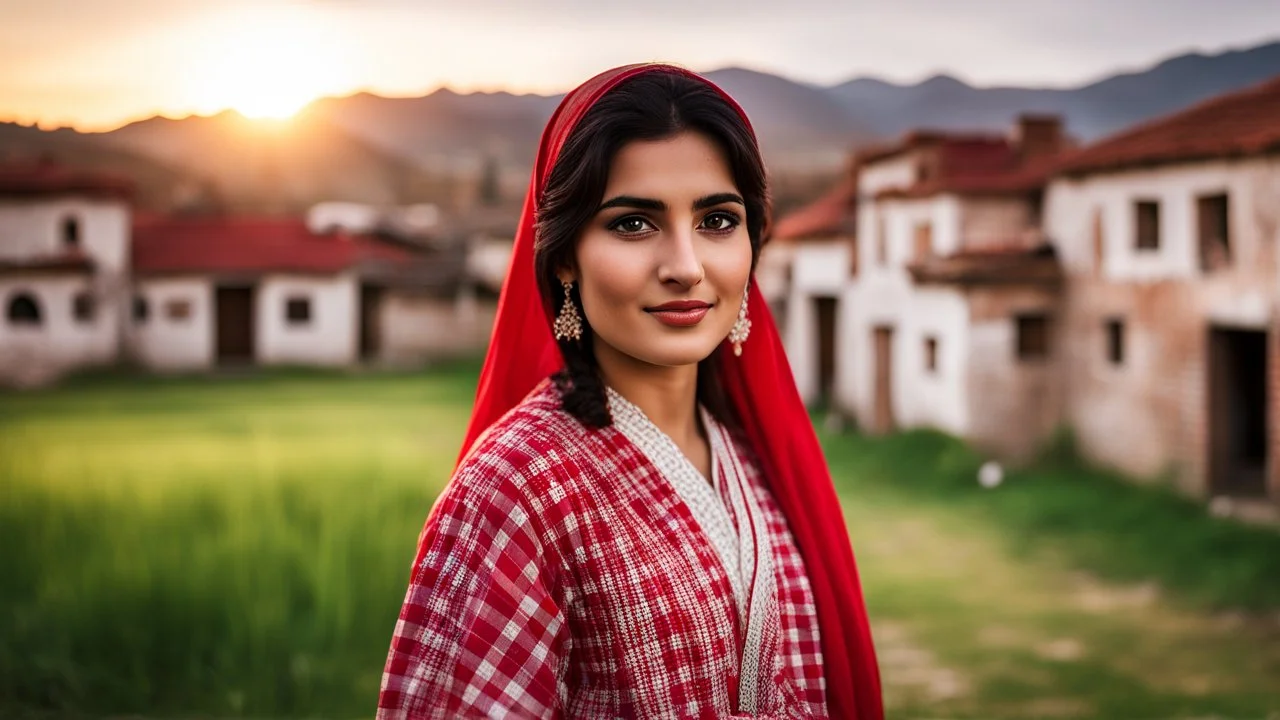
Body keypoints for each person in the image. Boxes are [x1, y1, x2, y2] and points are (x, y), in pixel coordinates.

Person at [377, 63, 882, 719]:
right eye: (634, 225)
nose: (685, 266)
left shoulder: (753, 456)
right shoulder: (512, 491)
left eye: (718, 221)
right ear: (564, 260)